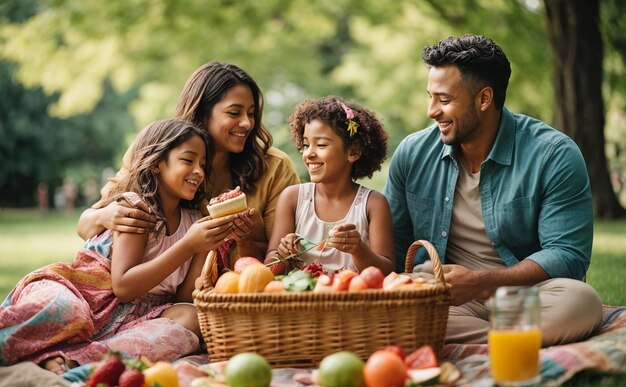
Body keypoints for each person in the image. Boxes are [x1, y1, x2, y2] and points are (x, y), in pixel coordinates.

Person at [383, 34, 603, 346]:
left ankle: (450, 338)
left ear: (484, 99)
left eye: (444, 100)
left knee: (581, 301)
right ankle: (511, 342)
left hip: (526, 296)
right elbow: (394, 243)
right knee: (395, 308)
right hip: (440, 292)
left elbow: (567, 254)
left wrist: (479, 283)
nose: (432, 111)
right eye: (430, 97)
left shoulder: (553, 153)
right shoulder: (413, 152)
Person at [0, 119, 246, 373]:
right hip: (83, 294)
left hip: (136, 319)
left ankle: (74, 361)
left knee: (192, 318)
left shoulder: (195, 222)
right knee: (70, 312)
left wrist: (205, 246)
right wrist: (188, 245)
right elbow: (123, 286)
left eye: (203, 165)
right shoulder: (136, 208)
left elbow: (181, 299)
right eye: (188, 161)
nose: (199, 172)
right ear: (155, 164)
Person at [76, 62, 300, 266]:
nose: (246, 123)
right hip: (155, 294)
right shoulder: (158, 151)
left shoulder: (275, 167)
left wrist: (251, 235)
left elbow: (284, 259)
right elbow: (85, 226)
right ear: (203, 113)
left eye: (251, 114)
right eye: (234, 113)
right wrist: (104, 216)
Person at [265, 96, 395, 275]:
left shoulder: (373, 204)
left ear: (353, 151)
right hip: (299, 301)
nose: (309, 153)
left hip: (354, 300)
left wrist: (359, 249)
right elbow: (269, 269)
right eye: (305, 145)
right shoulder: (292, 198)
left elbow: (387, 272)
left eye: (321, 145)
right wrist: (282, 253)